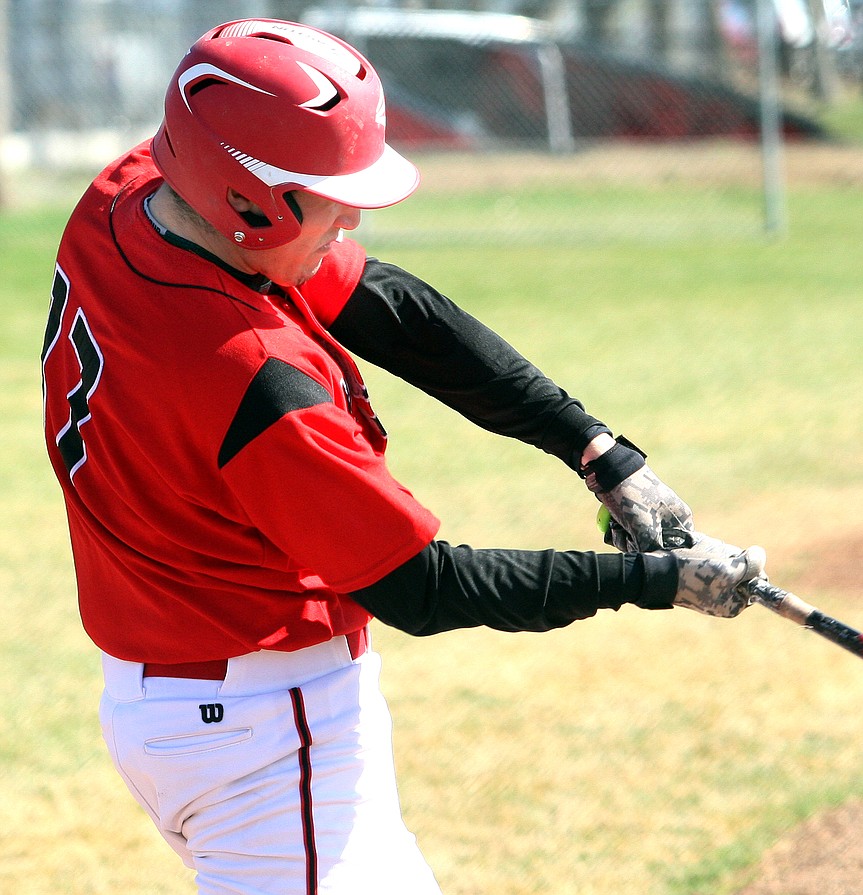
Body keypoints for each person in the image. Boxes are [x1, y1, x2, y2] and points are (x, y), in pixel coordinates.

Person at [40, 17, 767, 895]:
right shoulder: (253, 376)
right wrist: (659, 581)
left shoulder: (137, 194)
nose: (352, 216)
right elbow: (421, 585)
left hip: (184, 707)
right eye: (331, 194)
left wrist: (596, 448)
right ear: (246, 197)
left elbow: (391, 309)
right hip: (268, 740)